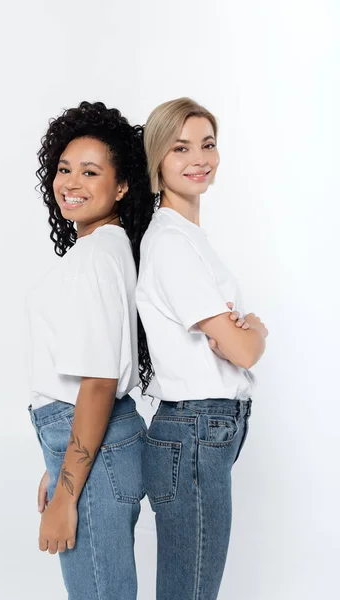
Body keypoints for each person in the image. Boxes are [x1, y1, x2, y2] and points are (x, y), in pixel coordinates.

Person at [136, 97, 269, 600]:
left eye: (208, 144)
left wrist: (238, 336)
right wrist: (255, 331)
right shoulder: (171, 241)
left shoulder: (189, 237)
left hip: (203, 429)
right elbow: (242, 349)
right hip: (195, 429)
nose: (199, 158)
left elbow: (227, 342)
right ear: (158, 160)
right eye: (181, 147)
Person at [26, 101, 154, 599]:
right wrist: (54, 464)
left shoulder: (98, 257)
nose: (71, 182)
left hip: (91, 451)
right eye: (63, 169)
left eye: (90, 171)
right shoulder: (106, 247)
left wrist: (68, 490)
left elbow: (99, 380)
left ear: (122, 186)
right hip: (88, 442)